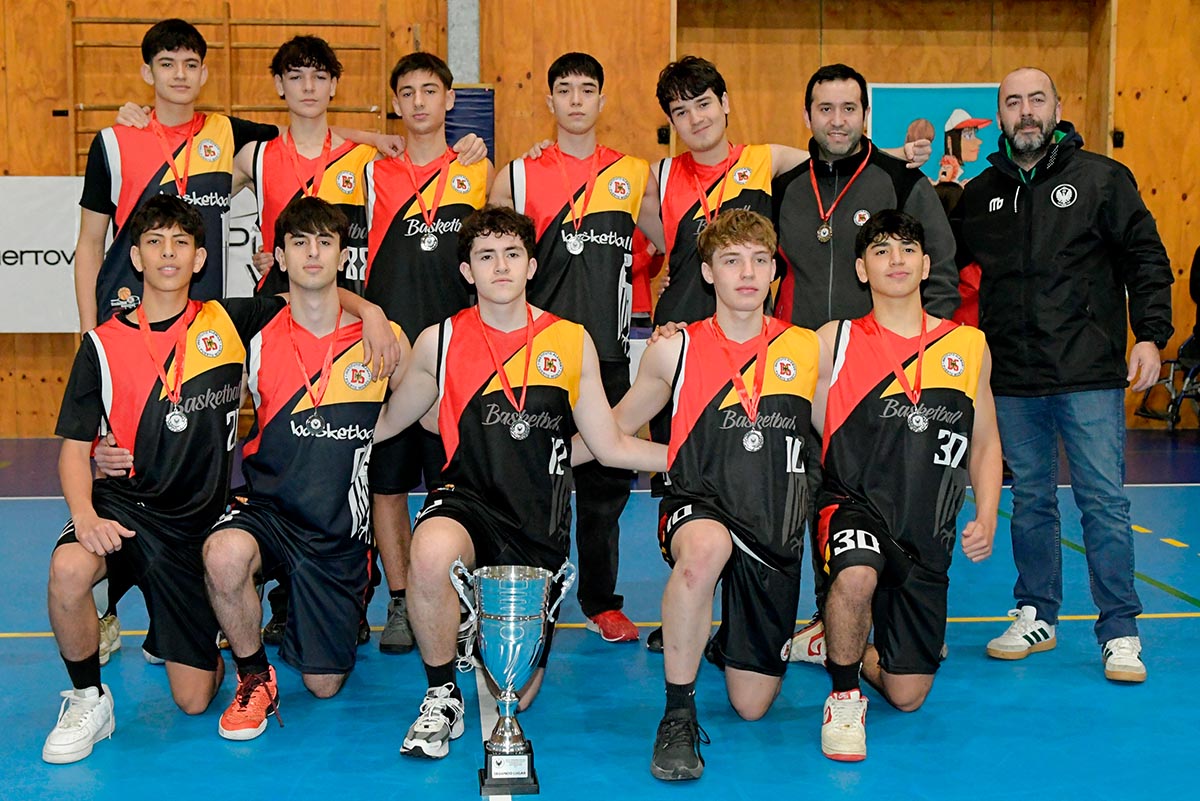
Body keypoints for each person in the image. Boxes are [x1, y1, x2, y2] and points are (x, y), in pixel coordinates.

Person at [368, 205, 667, 759]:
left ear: (532, 266)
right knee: (429, 554)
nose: (500, 266)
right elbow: (389, 422)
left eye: (512, 254)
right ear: (467, 272)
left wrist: (688, 459)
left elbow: (608, 445)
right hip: (466, 502)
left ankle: (475, 623)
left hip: (537, 522)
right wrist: (329, 436)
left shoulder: (571, 340)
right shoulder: (440, 341)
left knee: (519, 693)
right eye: (486, 256)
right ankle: (440, 695)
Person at [579, 208, 827, 780]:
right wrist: (547, 458)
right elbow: (613, 434)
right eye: (731, 260)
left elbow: (836, 437)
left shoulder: (806, 348)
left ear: (775, 270)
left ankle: (728, 639)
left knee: (752, 705)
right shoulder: (675, 348)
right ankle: (678, 714)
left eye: (759, 260)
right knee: (703, 553)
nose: (748, 273)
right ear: (708, 272)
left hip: (772, 521)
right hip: (699, 506)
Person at [44, 196, 288, 763]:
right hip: (126, 509)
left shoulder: (227, 321)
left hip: (195, 530)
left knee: (194, 700)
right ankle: (88, 698)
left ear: (200, 258)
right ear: (136, 257)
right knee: (69, 569)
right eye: (155, 242)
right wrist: (84, 515)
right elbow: (73, 450)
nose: (168, 253)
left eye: (181, 242)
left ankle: (182, 627)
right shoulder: (101, 345)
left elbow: (311, 292)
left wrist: (372, 314)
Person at [953, 67, 1173, 682]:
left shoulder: (1102, 178)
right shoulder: (980, 194)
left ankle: (1120, 629)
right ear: (1000, 115)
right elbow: (942, 271)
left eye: (1036, 99)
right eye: (1012, 102)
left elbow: (1146, 257)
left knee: (1102, 500)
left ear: (1056, 108)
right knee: (1030, 501)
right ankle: (1036, 612)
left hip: (1088, 373)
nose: (1025, 111)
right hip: (1012, 377)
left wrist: (1150, 333)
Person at [773, 63, 960, 665]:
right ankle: (829, 620)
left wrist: (922, 361)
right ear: (807, 115)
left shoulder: (901, 181)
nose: (837, 120)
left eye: (848, 108)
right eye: (825, 109)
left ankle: (903, 622)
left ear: (865, 114)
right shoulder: (785, 188)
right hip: (802, 377)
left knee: (895, 500)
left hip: (886, 383)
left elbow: (940, 271)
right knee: (812, 500)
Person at [201, 196, 404, 740]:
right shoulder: (252, 331)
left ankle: (332, 603)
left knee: (323, 685)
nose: (312, 253)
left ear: (343, 255)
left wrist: (372, 313)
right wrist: (114, 445)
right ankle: (253, 675)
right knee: (223, 554)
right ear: (280, 257)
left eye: (325, 242)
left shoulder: (383, 338)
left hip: (337, 530)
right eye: (299, 242)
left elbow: (428, 407)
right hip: (268, 511)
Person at [489, 52, 666, 644]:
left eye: (586, 89)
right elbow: (489, 257)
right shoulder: (517, 175)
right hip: (533, 356)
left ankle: (600, 600)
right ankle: (526, 591)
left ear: (601, 100)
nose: (575, 100)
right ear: (549, 101)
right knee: (528, 478)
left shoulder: (632, 174)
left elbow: (675, 241)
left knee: (604, 484)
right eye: (564, 89)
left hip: (608, 353)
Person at [816, 209, 1001, 762]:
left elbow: (985, 443)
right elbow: (751, 353)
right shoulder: (833, 340)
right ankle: (843, 697)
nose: (895, 259)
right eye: (881, 250)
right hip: (852, 506)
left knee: (907, 694)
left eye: (907, 249)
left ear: (925, 265)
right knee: (856, 574)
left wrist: (987, 514)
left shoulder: (969, 345)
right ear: (861, 269)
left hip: (925, 533)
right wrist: (678, 333)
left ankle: (833, 642)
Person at [360, 51, 492, 656]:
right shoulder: (371, 172)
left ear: (449, 99)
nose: (418, 102)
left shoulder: (478, 170)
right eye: (407, 92)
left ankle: (456, 598)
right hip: (387, 355)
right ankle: (399, 599)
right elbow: (308, 131)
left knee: (456, 487)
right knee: (387, 485)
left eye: (429, 90)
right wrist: (370, 136)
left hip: (457, 357)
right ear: (395, 104)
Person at [249, 36, 378, 297]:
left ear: (333, 85)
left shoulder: (366, 158)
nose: (308, 87)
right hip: (278, 301)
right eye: (296, 77)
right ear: (279, 84)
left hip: (346, 302)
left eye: (319, 77)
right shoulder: (255, 156)